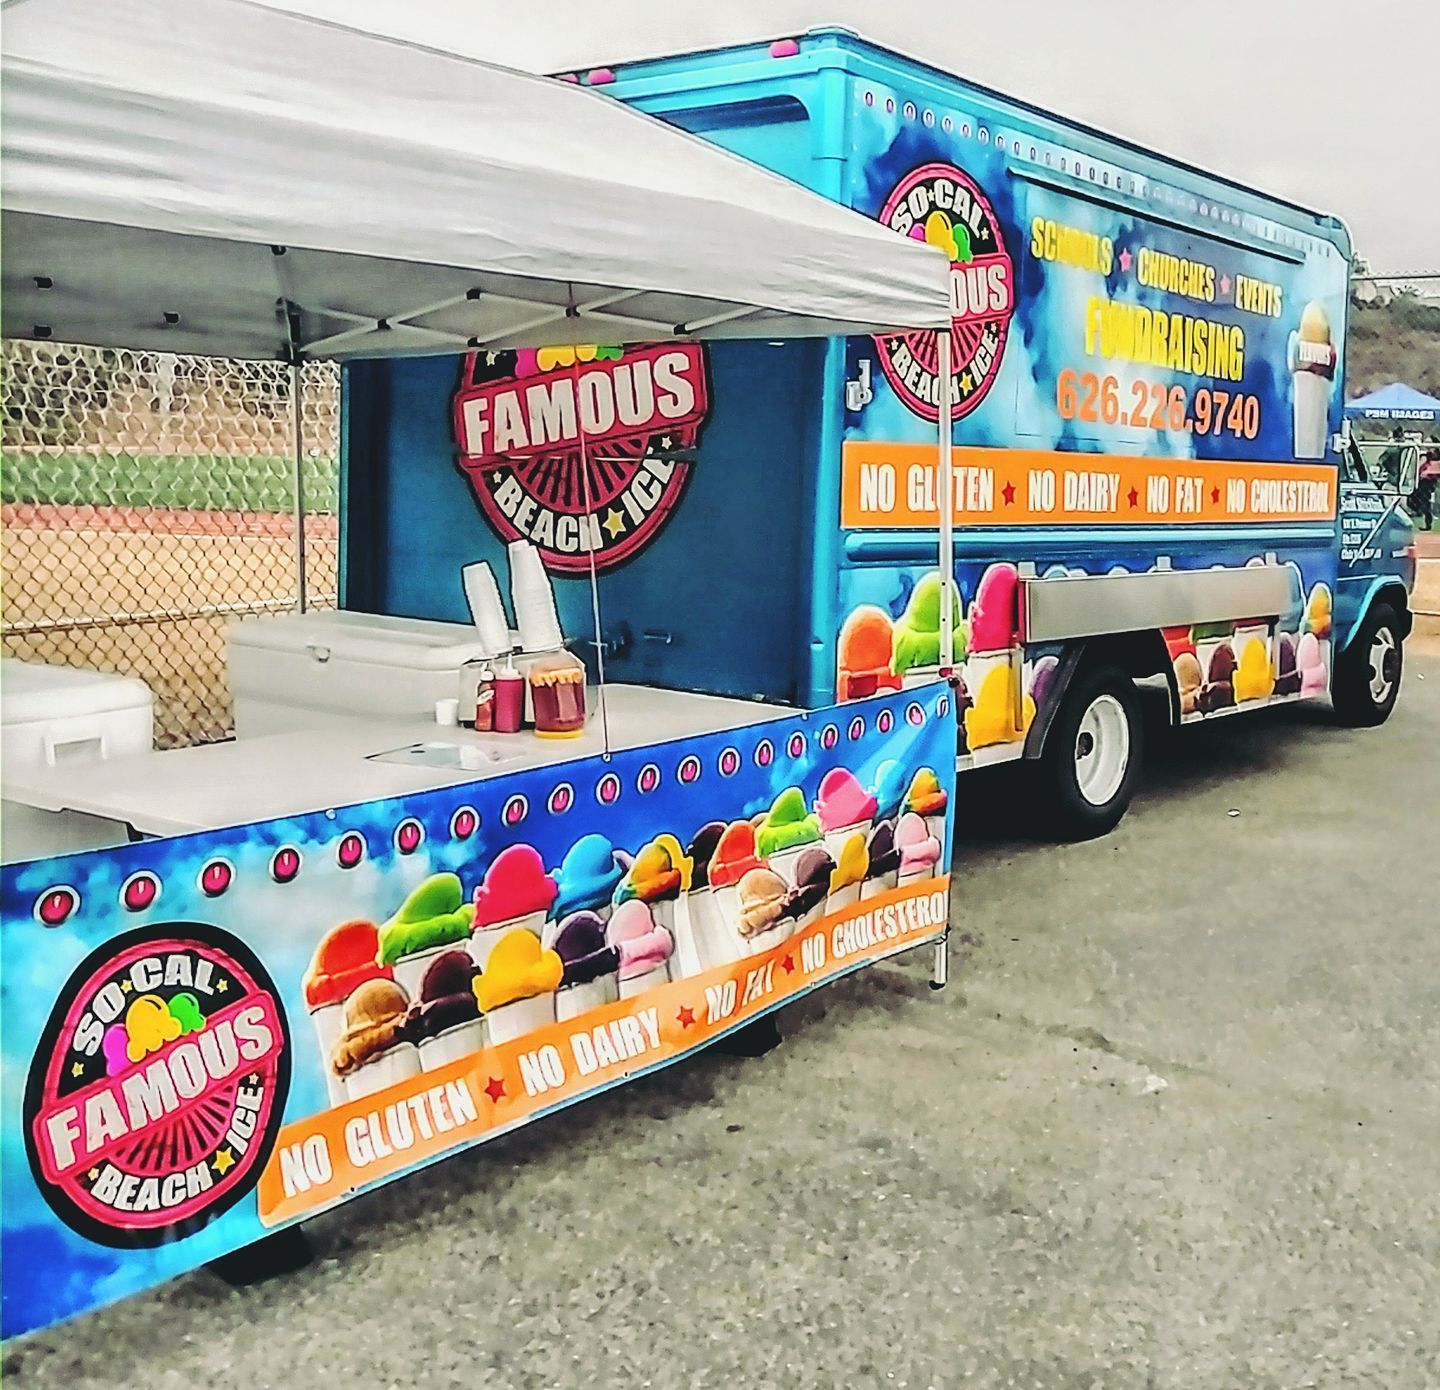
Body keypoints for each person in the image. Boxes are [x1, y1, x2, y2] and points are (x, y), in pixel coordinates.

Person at [1409, 447, 1440, 531]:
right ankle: (1419, 513)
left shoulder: (1435, 460)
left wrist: (1427, 473)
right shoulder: (1427, 458)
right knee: (1413, 500)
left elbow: (1435, 471)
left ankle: (1427, 523)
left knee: (1425, 502)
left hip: (1428, 482)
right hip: (1421, 482)